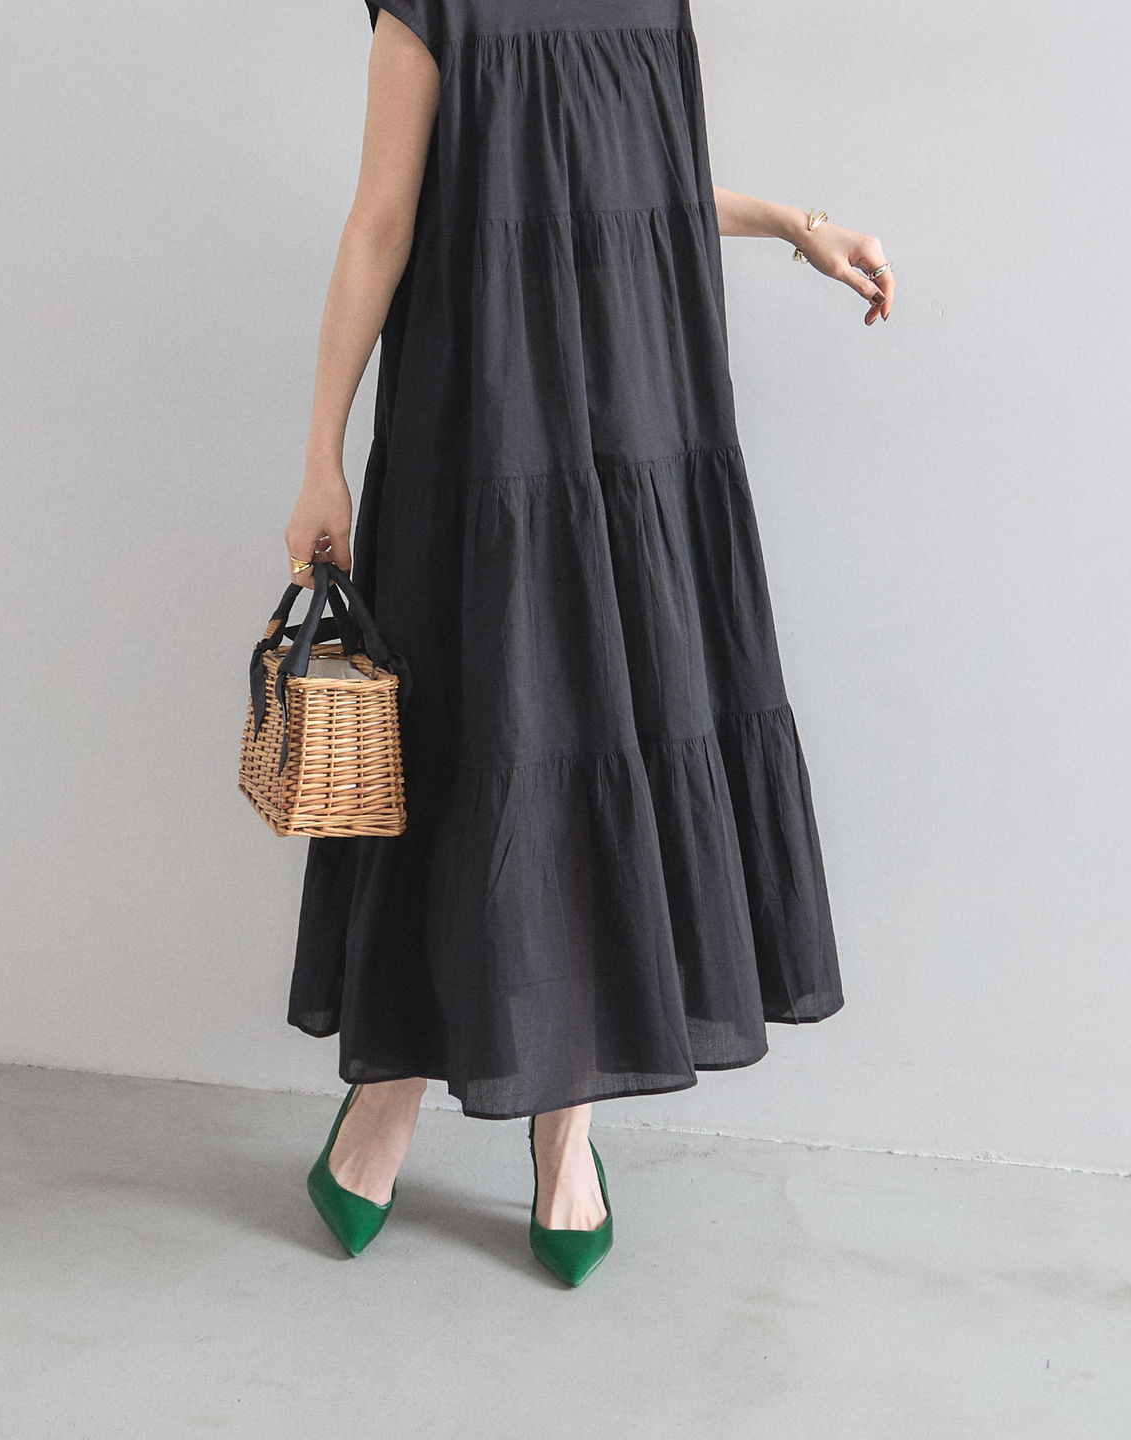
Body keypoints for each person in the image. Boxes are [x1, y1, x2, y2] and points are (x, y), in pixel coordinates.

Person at [283, 0, 890, 1286]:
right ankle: (386, 1096)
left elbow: (633, 189)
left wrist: (797, 224)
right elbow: (384, 223)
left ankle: (569, 1129)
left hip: (635, 433)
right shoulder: (429, 9)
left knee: (606, 738)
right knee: (467, 745)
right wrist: (321, 455)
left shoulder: (652, 6)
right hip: (477, 431)